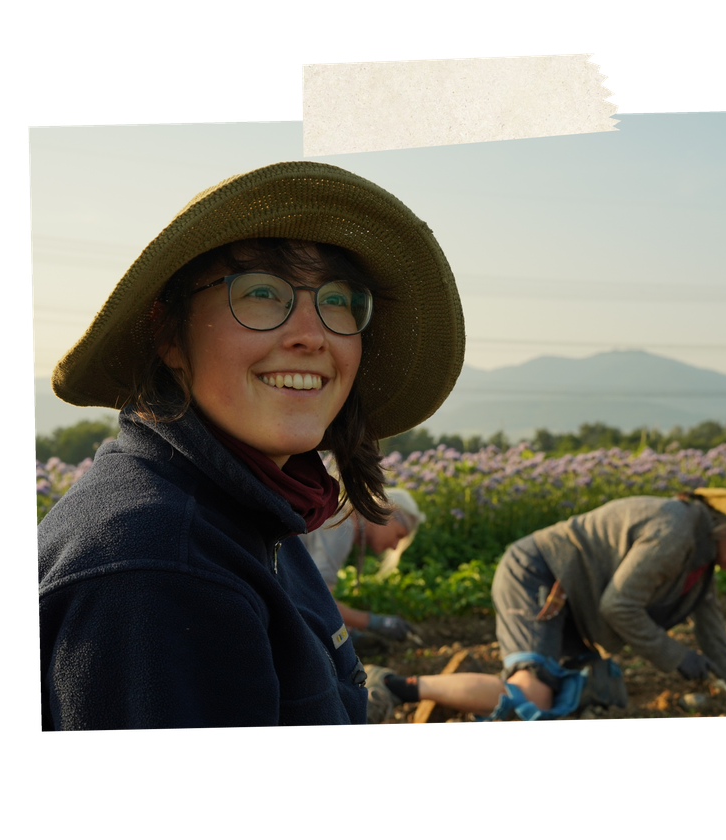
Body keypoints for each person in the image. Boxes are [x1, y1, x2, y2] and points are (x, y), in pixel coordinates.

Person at [37, 162, 464, 729]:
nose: (312, 335)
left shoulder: (259, 513)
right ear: (169, 333)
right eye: (262, 292)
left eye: (338, 299)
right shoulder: (159, 569)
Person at [372, 485, 726, 722]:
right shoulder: (676, 533)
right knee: (534, 700)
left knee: (601, 693)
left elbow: (710, 622)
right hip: (541, 575)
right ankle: (395, 685)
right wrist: (678, 658)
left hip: (576, 602)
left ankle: (464, 686)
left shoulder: (702, 556)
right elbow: (620, 606)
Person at [302, 487, 425, 642]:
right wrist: (376, 622)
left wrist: (347, 629)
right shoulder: (342, 526)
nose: (395, 546)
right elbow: (317, 602)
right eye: (399, 535)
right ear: (386, 515)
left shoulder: (340, 517)